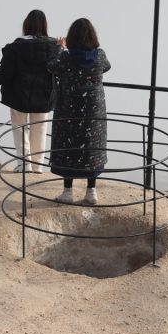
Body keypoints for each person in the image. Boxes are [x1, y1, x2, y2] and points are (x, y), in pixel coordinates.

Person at [0, 9, 61, 173]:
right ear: (45, 26)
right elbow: (59, 69)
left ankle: (24, 165)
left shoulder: (16, 47)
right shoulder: (53, 47)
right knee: (40, 130)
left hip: (18, 96)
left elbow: (4, 72)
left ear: (26, 25)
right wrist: (61, 49)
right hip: (44, 97)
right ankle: (38, 166)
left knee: (20, 129)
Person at [48, 18, 111, 205]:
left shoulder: (66, 58)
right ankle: (91, 192)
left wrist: (60, 47)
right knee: (91, 148)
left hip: (69, 110)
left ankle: (67, 192)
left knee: (69, 148)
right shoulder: (99, 55)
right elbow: (107, 66)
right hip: (94, 112)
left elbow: (51, 65)